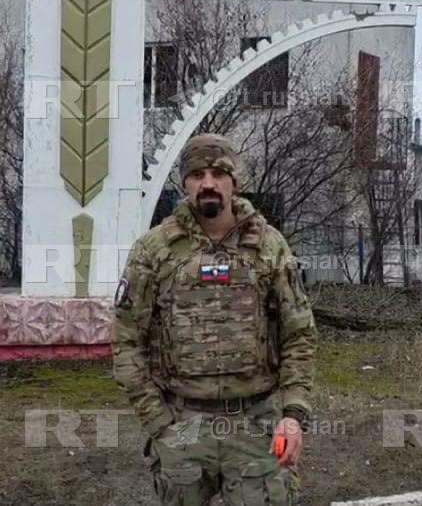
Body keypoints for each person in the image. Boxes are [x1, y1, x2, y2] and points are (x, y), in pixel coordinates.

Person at [112, 133, 317, 505]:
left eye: (218, 173)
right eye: (197, 174)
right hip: (182, 425)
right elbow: (126, 340)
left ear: (234, 181)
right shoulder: (154, 250)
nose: (208, 183)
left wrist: (293, 414)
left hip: (256, 425)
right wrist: (158, 422)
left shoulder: (269, 246)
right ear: (185, 184)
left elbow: (298, 334)